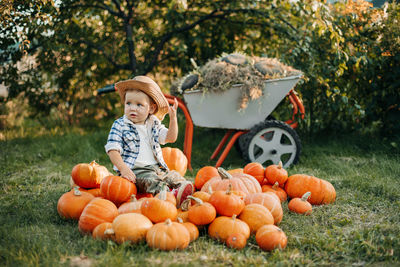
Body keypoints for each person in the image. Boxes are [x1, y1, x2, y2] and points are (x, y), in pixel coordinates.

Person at [105, 75, 194, 208]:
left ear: (151, 109)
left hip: (158, 168)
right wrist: (123, 169)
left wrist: (173, 119)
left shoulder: (153, 123)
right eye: (128, 103)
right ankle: (170, 197)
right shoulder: (120, 125)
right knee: (151, 182)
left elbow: (170, 138)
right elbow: (112, 150)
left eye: (139, 105)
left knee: (173, 176)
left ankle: (184, 191)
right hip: (136, 170)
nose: (132, 108)